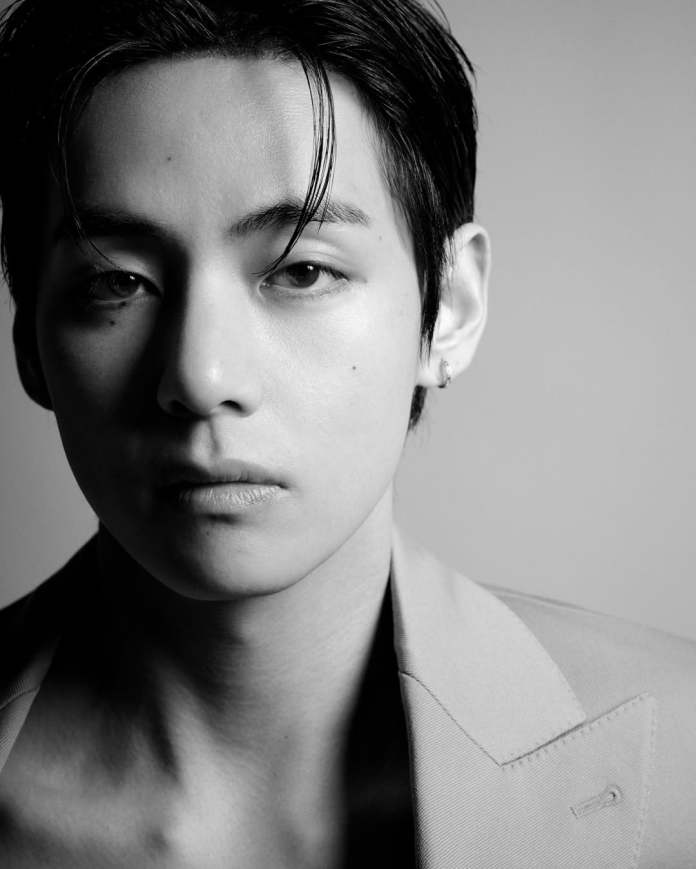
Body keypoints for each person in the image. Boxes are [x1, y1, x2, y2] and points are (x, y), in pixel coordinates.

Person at [0, 0, 694, 866]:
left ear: (450, 309)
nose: (200, 378)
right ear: (29, 337)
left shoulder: (680, 762)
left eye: (302, 270)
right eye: (118, 282)